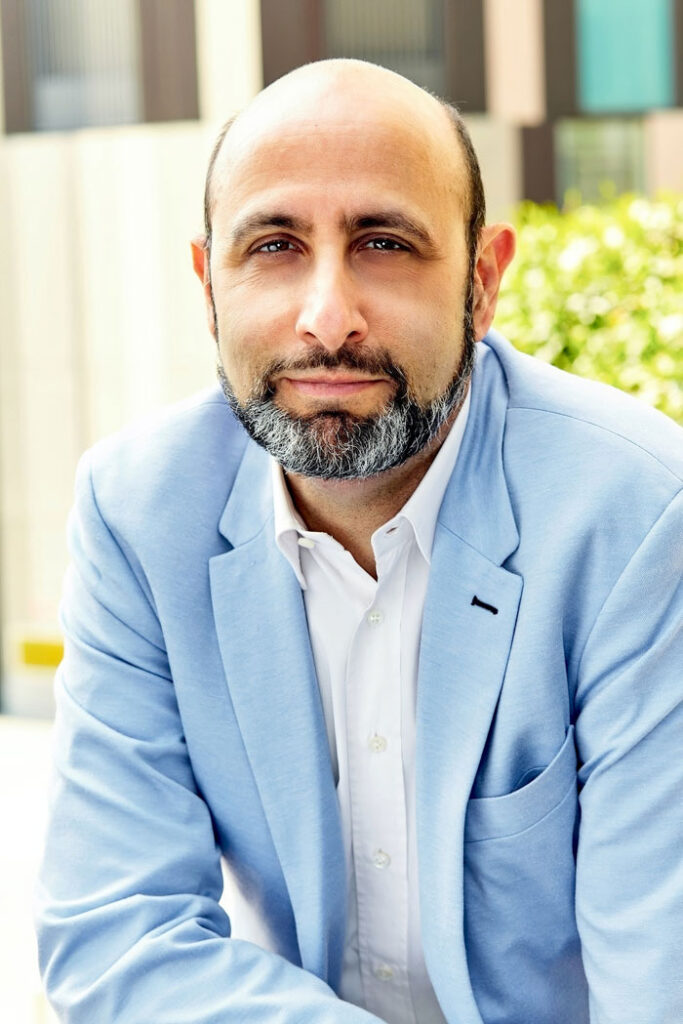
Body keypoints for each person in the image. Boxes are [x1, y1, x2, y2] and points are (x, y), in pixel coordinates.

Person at [36, 59, 682, 1024]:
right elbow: (118, 935)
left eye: (384, 243)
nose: (327, 318)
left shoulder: (637, 514)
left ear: (480, 283)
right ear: (208, 286)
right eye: (274, 246)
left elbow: (659, 984)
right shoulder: (138, 515)